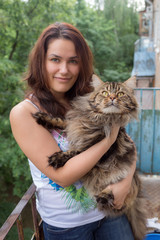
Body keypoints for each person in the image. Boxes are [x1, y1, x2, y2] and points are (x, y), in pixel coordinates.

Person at [10, 22, 136, 240]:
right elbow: (62, 176)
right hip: (68, 228)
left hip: (110, 211)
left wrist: (125, 183)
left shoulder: (90, 98)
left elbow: (128, 145)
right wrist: (109, 138)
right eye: (55, 59)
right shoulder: (24, 113)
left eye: (73, 61)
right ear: (41, 62)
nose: (64, 70)